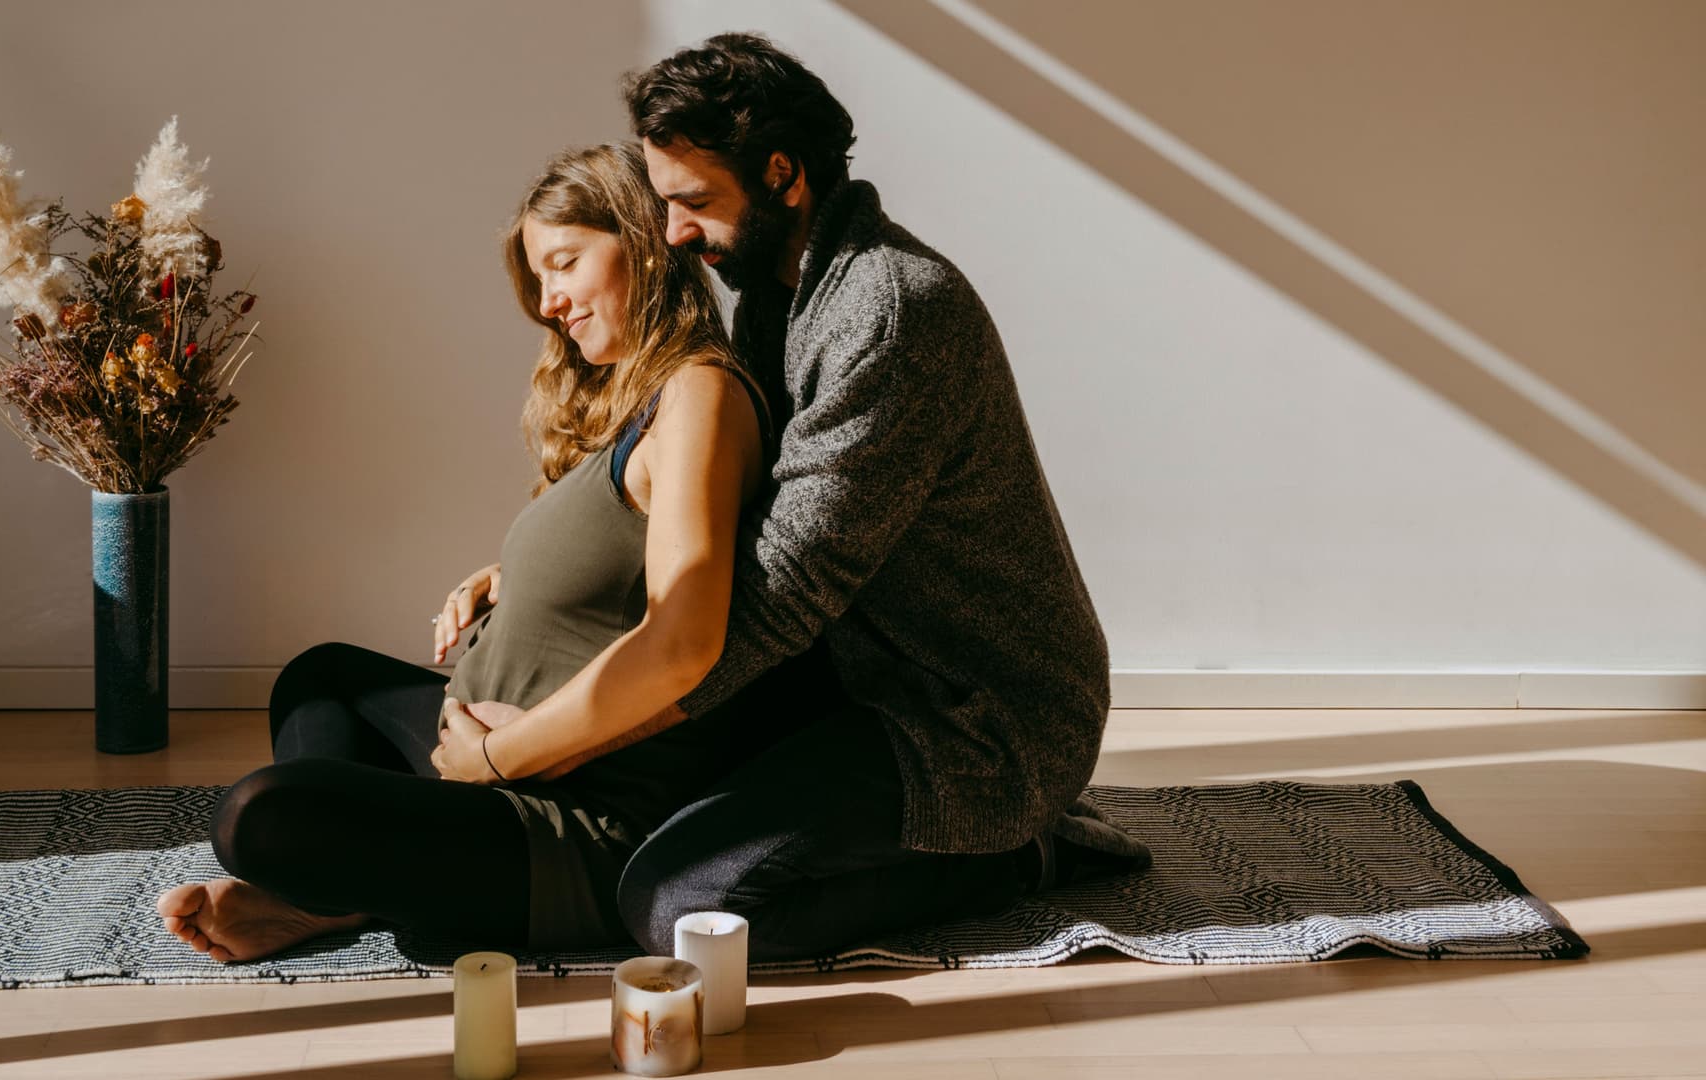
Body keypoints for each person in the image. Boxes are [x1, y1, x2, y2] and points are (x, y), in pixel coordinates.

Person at [440, 34, 1152, 963]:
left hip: (969, 719)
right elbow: (732, 524)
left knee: (680, 907)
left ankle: (1024, 851)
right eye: (663, 203)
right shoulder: (775, 300)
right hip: (846, 682)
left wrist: (542, 745)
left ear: (782, 175)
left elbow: (782, 595)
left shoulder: (889, 312)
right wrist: (529, 574)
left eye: (695, 202)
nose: (674, 234)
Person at [154, 141, 824, 962]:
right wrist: (518, 577)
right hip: (478, 756)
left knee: (256, 817)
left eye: (565, 264)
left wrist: (500, 758)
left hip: (562, 820)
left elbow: (685, 640)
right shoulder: (636, 401)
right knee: (318, 681)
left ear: (646, 242)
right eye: (539, 280)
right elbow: (637, 552)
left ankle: (336, 892)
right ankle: (352, 889)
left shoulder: (701, 393)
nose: (549, 302)